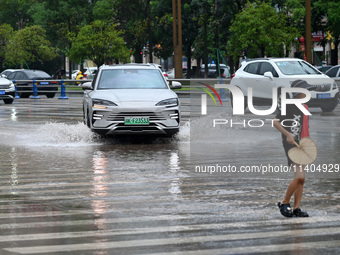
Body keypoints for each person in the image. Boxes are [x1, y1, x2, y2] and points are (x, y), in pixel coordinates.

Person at [273, 80, 316, 218]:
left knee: (302, 179)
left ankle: (297, 208)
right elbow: (275, 122)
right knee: (299, 176)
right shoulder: (289, 105)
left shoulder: (305, 107)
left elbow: (305, 128)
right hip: (291, 144)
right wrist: (288, 135)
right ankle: (284, 202)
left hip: (302, 145)